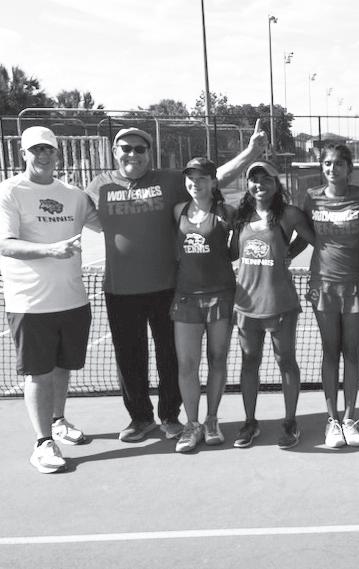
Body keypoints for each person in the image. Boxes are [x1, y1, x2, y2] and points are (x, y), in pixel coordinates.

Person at [84, 121, 266, 443]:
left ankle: (170, 416)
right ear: (114, 151)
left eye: (140, 149)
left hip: (168, 287)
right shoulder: (98, 186)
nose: (133, 154)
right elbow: (70, 213)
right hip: (120, 289)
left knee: (171, 358)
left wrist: (250, 152)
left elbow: (213, 179)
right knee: (129, 359)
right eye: (126, 148)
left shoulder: (169, 182)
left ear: (149, 153)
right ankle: (141, 418)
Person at [0, 126, 99, 472]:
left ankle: (58, 421)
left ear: (57, 154)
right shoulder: (9, 191)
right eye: (36, 150)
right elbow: (5, 244)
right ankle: (43, 443)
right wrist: (50, 250)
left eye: (48, 149)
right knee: (38, 374)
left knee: (62, 368)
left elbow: (108, 224)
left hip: (72, 300)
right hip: (30, 304)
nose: (43, 155)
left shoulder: (74, 195)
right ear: (23, 154)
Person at [231, 161, 316, 450]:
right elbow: (232, 251)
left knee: (286, 362)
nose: (260, 184)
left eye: (266, 179)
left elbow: (312, 239)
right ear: (248, 185)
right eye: (254, 179)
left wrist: (289, 251)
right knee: (249, 363)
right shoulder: (241, 216)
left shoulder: (289, 215)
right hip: (246, 304)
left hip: (280, 303)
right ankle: (249, 422)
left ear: (277, 184)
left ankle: (290, 422)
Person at [298, 144, 359, 448]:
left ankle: (350, 419)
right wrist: (284, 254)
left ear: (349, 168)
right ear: (322, 167)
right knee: (330, 351)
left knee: (351, 351)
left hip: (356, 285)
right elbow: (304, 232)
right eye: (327, 163)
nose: (332, 168)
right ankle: (332, 421)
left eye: (339, 163)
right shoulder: (311, 197)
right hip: (323, 286)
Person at [171, 157, 237, 453]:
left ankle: (211, 420)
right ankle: (192, 424)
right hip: (186, 298)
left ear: (213, 182)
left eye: (201, 178)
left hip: (221, 296)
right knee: (187, 364)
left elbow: (238, 247)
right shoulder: (178, 211)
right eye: (191, 178)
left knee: (217, 359)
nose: (195, 183)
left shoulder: (227, 213)